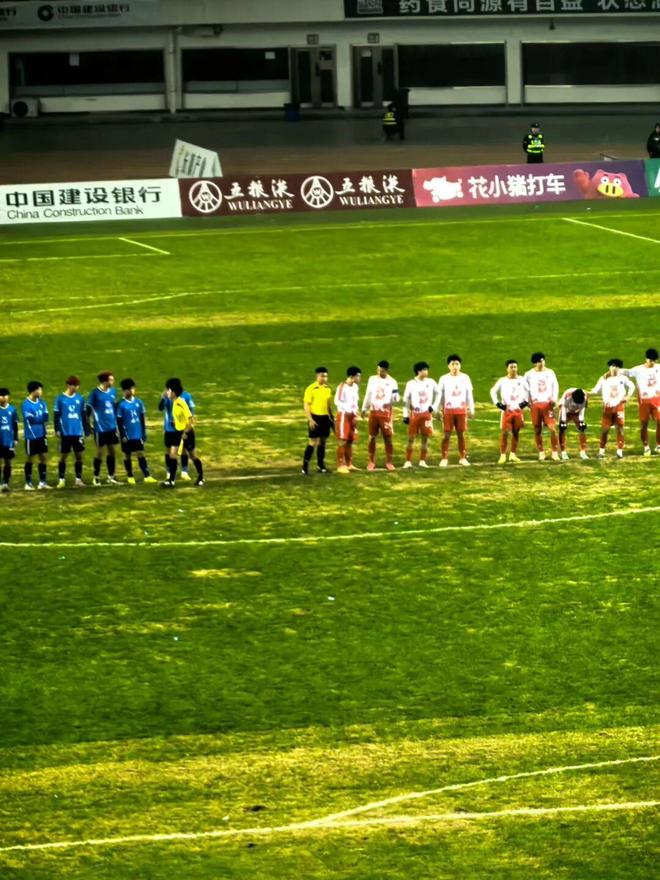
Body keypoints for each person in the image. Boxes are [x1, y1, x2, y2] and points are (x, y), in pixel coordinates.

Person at [590, 359, 635, 459]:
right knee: (605, 430)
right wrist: (587, 393)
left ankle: (619, 451)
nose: (614, 368)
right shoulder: (603, 378)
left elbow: (632, 386)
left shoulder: (623, 378)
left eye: (616, 366)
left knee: (620, 428)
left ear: (619, 368)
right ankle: (601, 451)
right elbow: (596, 390)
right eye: (612, 366)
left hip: (619, 406)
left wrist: (628, 396)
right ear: (609, 367)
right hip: (608, 408)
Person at [116, 379, 157, 485]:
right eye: (129, 389)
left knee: (140, 453)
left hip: (137, 434)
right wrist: (123, 435)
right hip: (127, 435)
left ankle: (147, 476)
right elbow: (119, 422)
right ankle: (130, 476)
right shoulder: (121, 405)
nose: (132, 391)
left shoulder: (139, 402)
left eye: (133, 388)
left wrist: (143, 432)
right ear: (124, 391)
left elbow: (142, 419)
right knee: (127, 455)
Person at [436, 355, 474, 467]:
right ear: (448, 366)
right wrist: (437, 409)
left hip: (461, 410)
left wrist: (471, 409)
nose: (455, 366)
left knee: (461, 434)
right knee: (447, 434)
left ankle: (462, 457)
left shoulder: (465, 378)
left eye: (457, 364)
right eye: (452, 364)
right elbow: (440, 395)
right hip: (448, 410)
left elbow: (469, 395)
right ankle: (444, 458)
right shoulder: (443, 379)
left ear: (460, 365)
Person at [162, 377, 200, 487]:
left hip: (187, 433)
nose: (167, 392)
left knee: (192, 455)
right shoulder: (174, 402)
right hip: (177, 432)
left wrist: (185, 432)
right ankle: (171, 480)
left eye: (169, 390)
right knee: (172, 455)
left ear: (173, 392)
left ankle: (201, 476)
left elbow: (191, 419)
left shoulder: (181, 402)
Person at [361, 360, 399, 471]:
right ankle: (371, 461)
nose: (379, 372)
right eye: (378, 370)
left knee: (388, 437)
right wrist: (364, 408)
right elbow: (368, 394)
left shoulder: (392, 382)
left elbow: (396, 398)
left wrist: (395, 397)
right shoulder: (372, 379)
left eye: (381, 371)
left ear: (387, 370)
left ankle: (389, 462)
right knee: (372, 437)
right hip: (373, 412)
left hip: (385, 413)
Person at [490, 360, 529, 464]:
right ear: (507, 369)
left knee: (516, 432)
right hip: (507, 411)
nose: (513, 369)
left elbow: (528, 391)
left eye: (515, 367)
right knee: (505, 432)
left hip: (518, 410)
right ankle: (503, 455)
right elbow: (493, 391)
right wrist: (497, 403)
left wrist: (525, 402)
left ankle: (513, 454)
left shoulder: (522, 380)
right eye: (511, 367)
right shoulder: (502, 380)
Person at [622, 347, 660, 456]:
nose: (653, 363)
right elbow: (627, 372)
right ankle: (646, 447)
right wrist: (614, 370)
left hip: (657, 400)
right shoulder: (638, 370)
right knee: (644, 424)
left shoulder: (658, 367)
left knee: (659, 421)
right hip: (644, 401)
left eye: (654, 361)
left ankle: (659, 445)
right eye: (651, 360)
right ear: (646, 359)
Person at [524, 352, 560, 461]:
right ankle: (541, 452)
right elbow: (525, 389)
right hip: (535, 405)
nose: (542, 363)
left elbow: (555, 386)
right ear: (535, 363)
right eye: (539, 361)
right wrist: (527, 401)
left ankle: (554, 452)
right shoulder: (528, 374)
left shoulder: (550, 372)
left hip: (547, 404)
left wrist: (554, 398)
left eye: (543, 360)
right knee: (537, 429)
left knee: (552, 428)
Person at [54, 375, 88, 488]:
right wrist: (57, 429)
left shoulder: (80, 398)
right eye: (75, 385)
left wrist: (86, 430)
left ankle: (78, 479)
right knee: (63, 456)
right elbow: (56, 415)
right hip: (65, 432)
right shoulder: (60, 398)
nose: (77, 387)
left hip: (77, 432)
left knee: (79, 456)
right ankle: (61, 480)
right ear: (68, 385)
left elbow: (83, 415)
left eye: (77, 385)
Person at [87, 371, 121, 486]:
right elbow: (88, 409)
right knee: (100, 452)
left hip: (112, 427)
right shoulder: (95, 393)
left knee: (112, 451)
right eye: (111, 380)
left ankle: (111, 476)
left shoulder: (113, 391)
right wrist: (89, 424)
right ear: (105, 381)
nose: (113, 381)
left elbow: (114, 406)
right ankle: (96, 477)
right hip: (100, 428)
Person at [402, 361, 438, 469]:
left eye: (427, 369)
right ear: (419, 371)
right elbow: (406, 400)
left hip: (426, 414)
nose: (427, 372)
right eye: (424, 370)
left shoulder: (431, 382)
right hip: (415, 414)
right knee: (411, 438)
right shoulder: (411, 384)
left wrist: (434, 406)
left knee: (425, 438)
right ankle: (408, 461)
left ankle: (422, 461)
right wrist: (405, 415)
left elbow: (439, 393)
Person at [302, 366, 334, 475]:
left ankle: (321, 465)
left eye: (326, 376)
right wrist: (310, 419)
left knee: (323, 441)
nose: (324, 378)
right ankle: (305, 466)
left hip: (325, 418)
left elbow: (328, 405)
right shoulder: (311, 388)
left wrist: (331, 417)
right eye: (322, 376)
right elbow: (306, 405)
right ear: (317, 376)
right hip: (315, 417)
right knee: (312, 442)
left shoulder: (327, 388)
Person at [22, 380, 50, 490]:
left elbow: (46, 417)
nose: (41, 392)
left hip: (42, 434)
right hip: (31, 435)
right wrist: (39, 418)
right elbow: (30, 419)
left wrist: (37, 418)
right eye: (39, 390)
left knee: (43, 457)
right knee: (30, 458)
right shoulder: (26, 404)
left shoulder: (42, 403)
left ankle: (42, 482)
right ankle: (28, 483)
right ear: (34, 391)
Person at [335, 366, 362, 475]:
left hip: (352, 416)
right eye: (358, 376)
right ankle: (340, 465)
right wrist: (348, 410)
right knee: (342, 440)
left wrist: (355, 412)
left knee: (350, 440)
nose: (359, 378)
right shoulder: (342, 387)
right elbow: (337, 401)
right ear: (352, 376)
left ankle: (349, 464)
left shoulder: (355, 387)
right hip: (343, 415)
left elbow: (355, 401)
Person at [178, 384, 201, 482]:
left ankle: (201, 474)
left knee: (192, 453)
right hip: (179, 428)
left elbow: (192, 413)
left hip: (188, 428)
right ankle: (184, 472)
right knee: (182, 450)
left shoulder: (186, 396)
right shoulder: (173, 398)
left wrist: (187, 430)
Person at [558, 387, 589, 460]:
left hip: (576, 412)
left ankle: (583, 452)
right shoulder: (568, 396)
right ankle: (563, 452)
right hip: (566, 411)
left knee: (582, 429)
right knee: (562, 428)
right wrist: (563, 421)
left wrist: (581, 421)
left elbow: (582, 409)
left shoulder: (585, 398)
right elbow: (563, 408)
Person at [0, 387, 19, 491]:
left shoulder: (12, 409)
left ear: (8, 397)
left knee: (8, 462)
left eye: (5, 395)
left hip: (9, 440)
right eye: (1, 395)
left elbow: (15, 426)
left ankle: (5, 483)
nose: (3, 397)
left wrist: (15, 439)